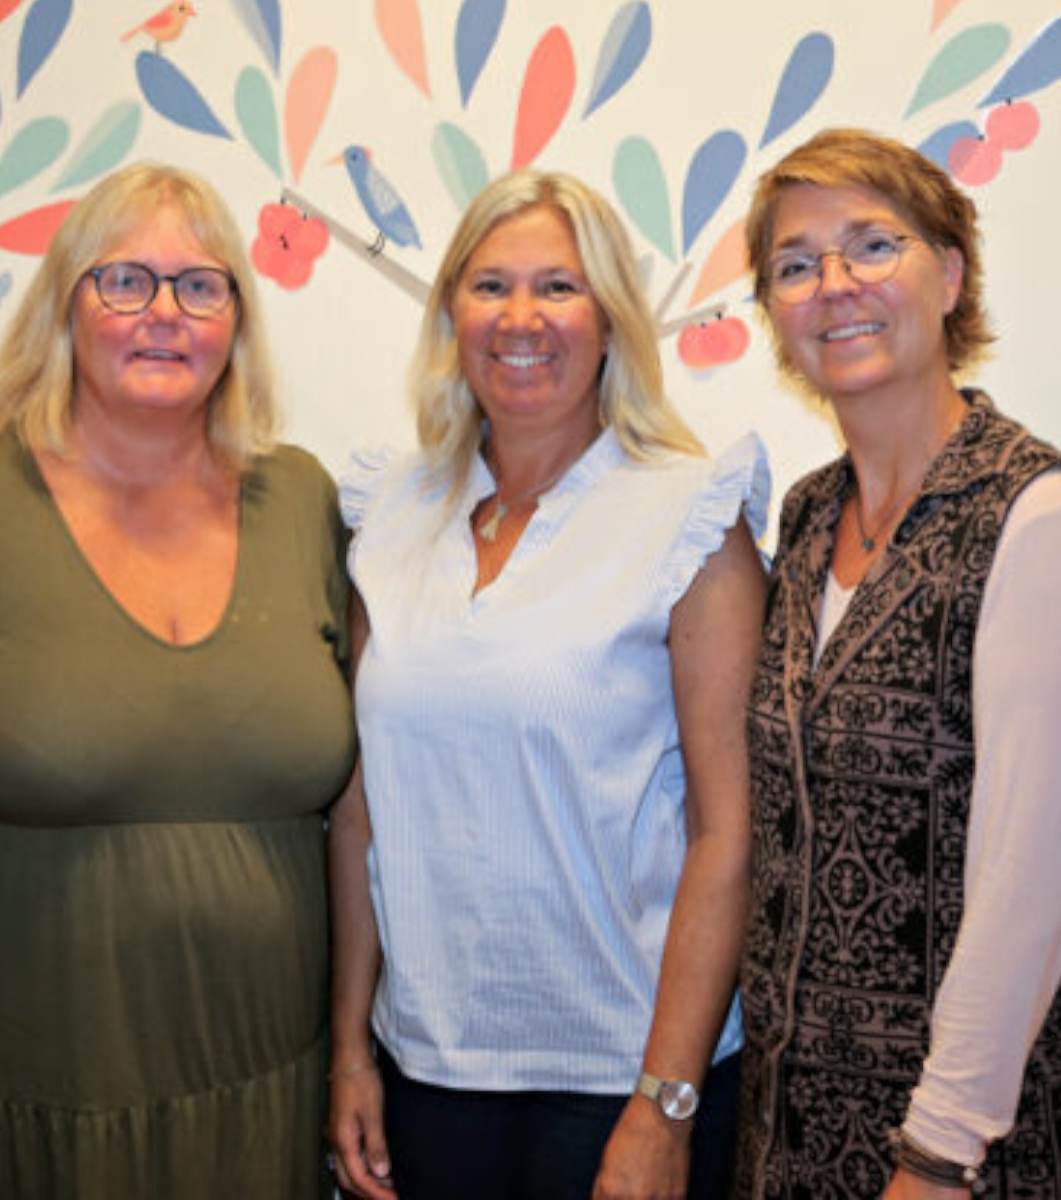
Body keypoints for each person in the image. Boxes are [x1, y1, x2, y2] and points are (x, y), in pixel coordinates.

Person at [0, 162, 356, 1197]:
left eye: (200, 285)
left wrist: (350, 1056)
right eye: (125, 281)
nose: (164, 313)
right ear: (64, 304)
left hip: (264, 1102)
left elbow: (364, 809)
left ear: (237, 320)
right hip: (26, 1109)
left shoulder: (302, 501)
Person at [328, 169, 767, 1200]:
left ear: (610, 320)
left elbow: (729, 832)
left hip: (622, 1074)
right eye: (490, 286)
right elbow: (359, 815)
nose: (521, 319)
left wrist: (665, 1103)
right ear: (452, 314)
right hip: (427, 1067)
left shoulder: (690, 513)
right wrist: (350, 1049)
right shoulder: (391, 512)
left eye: (559, 288)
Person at [734, 128, 1061, 1198]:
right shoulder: (807, 517)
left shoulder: (1034, 513)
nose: (835, 285)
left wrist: (939, 1152)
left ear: (950, 276)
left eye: (874, 245)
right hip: (795, 1134)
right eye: (796, 264)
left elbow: (1026, 883)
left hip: (974, 1150)